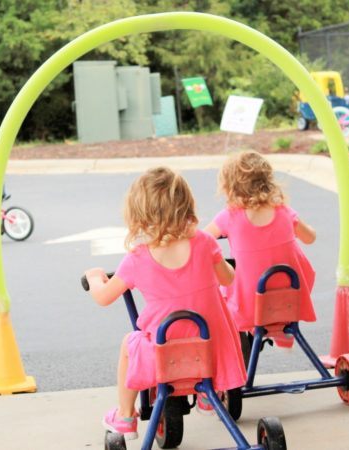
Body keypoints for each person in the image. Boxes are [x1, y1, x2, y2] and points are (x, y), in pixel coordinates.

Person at [84, 167, 246, 440]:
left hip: (163, 354)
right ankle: (210, 393)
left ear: (138, 213)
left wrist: (94, 278)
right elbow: (229, 279)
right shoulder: (204, 242)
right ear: (186, 204)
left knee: (130, 343)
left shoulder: (137, 258)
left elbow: (104, 297)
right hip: (209, 350)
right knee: (214, 323)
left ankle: (125, 416)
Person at [204, 151, 317, 349]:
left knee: (224, 282)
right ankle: (281, 330)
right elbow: (310, 238)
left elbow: (203, 241)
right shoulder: (284, 212)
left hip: (250, 306)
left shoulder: (229, 217)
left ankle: (250, 333)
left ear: (230, 187)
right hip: (290, 299)